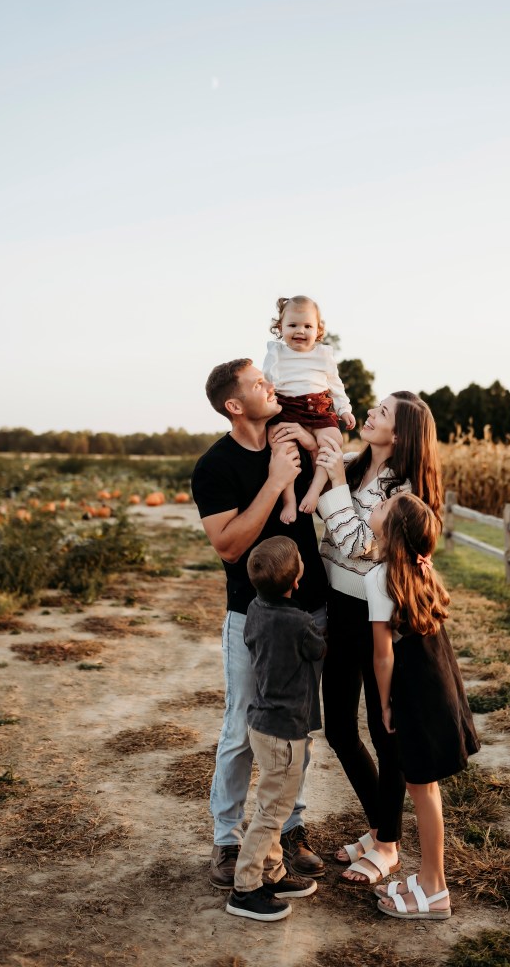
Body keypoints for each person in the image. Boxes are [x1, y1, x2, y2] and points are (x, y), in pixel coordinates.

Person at [191, 358, 328, 890]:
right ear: (234, 405)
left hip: (309, 609)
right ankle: (228, 840)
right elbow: (227, 547)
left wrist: (312, 450)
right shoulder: (215, 466)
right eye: (257, 384)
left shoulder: (289, 439)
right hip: (250, 618)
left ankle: (287, 831)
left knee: (298, 727)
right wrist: (274, 483)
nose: (270, 387)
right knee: (241, 731)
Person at [314, 391, 443, 886]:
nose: (370, 413)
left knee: (383, 729)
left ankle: (387, 846)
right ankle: (381, 827)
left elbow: (360, 544)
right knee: (339, 728)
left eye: (382, 412)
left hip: (377, 613)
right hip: (337, 606)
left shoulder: (404, 489)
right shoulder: (352, 462)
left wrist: (337, 485)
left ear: (402, 433)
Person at [367, 492, 480, 919]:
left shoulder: (379, 578)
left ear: (391, 531)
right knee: (425, 788)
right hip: (439, 681)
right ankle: (430, 878)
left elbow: (383, 656)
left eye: (382, 507)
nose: (376, 506)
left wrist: (384, 705)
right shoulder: (416, 570)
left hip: (415, 691)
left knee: (421, 788)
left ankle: (435, 890)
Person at [226, 536, 326, 922]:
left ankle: (273, 872)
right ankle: (246, 888)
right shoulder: (299, 622)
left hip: (262, 724)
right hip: (285, 733)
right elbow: (318, 649)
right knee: (271, 813)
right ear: (297, 578)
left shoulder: (254, 608)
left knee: (273, 805)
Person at [263, 295, 356, 523]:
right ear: (280, 327)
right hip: (286, 407)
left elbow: (335, 385)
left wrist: (344, 409)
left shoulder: (323, 354)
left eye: (307, 326)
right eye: (292, 325)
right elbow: (267, 380)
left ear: (318, 329)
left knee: (333, 441)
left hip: (318, 408)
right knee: (281, 447)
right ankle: (289, 499)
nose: (300, 331)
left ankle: (314, 490)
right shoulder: (276, 352)